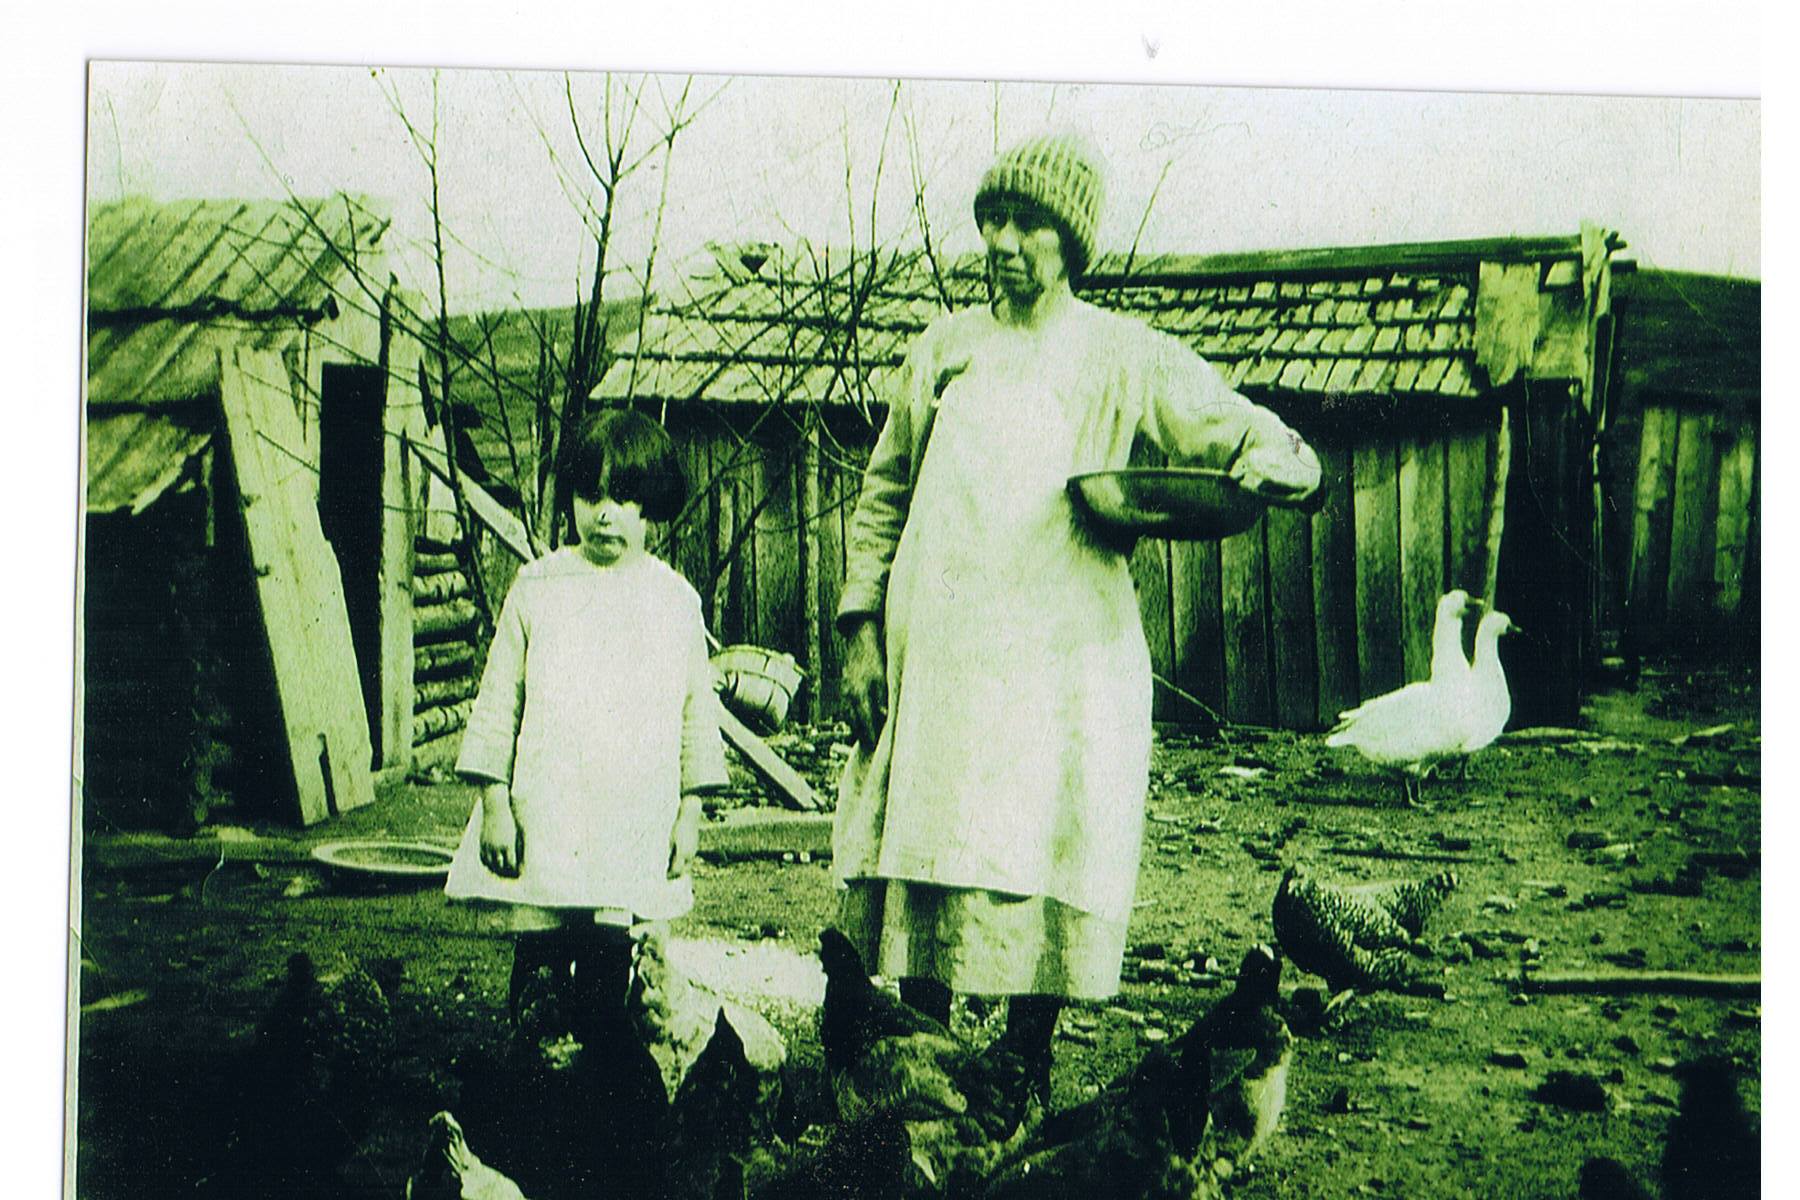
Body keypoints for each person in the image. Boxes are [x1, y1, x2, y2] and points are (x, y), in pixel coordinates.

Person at [832, 132, 1322, 1093]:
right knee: (928, 830)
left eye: (1032, 224)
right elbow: (885, 491)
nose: (1006, 241)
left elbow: (1233, 429)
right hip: (937, 651)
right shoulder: (944, 349)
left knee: (1045, 829)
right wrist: (858, 627)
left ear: (1072, 241)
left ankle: (1025, 1055)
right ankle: (919, 1052)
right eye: (995, 220)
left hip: (1060, 653)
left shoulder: (1122, 354)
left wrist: (1283, 461)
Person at [445, 409, 729, 1036]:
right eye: (591, 494)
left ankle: (598, 1086)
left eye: (625, 498)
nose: (606, 513)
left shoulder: (674, 601)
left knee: (608, 959)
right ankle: (532, 1075)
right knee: (541, 957)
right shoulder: (539, 587)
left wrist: (690, 812)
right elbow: (500, 699)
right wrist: (495, 802)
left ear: (652, 506)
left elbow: (694, 716)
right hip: (549, 815)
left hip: (630, 819)